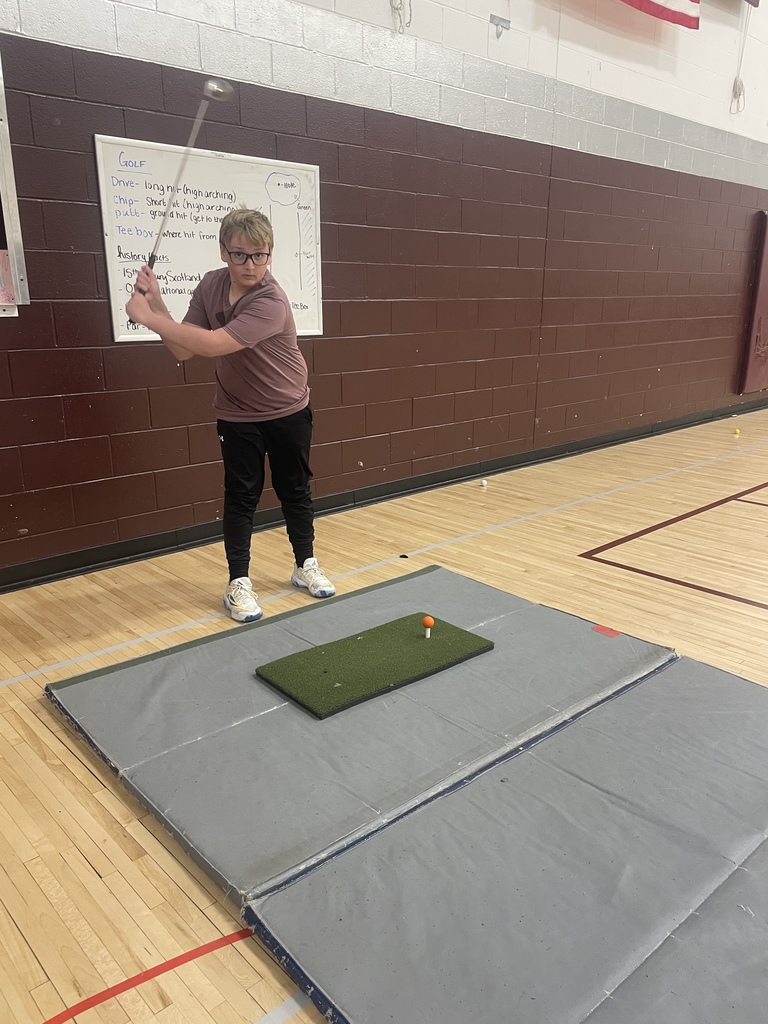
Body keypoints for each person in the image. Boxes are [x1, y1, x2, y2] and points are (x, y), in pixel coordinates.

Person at [126, 207, 335, 623]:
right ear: (224, 252)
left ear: (270, 254)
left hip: (287, 408)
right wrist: (156, 305)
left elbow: (214, 345)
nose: (250, 265)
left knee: (295, 489)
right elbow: (185, 348)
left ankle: (304, 564)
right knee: (241, 496)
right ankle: (238, 583)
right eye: (240, 255)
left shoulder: (271, 301)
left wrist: (148, 317)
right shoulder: (210, 286)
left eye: (259, 255)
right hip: (237, 414)